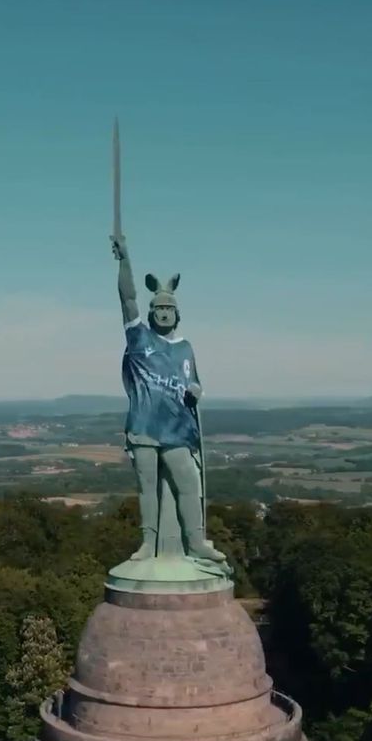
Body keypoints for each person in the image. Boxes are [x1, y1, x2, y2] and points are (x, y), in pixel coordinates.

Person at [112, 235, 225, 563]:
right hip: (145, 425)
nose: (164, 313)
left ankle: (197, 541)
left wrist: (196, 391)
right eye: (159, 308)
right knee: (147, 488)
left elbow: (195, 381)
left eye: (169, 309)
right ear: (152, 312)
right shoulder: (139, 337)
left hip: (177, 429)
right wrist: (124, 261)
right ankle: (148, 543)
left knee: (188, 483)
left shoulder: (185, 347)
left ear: (177, 314)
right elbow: (127, 298)